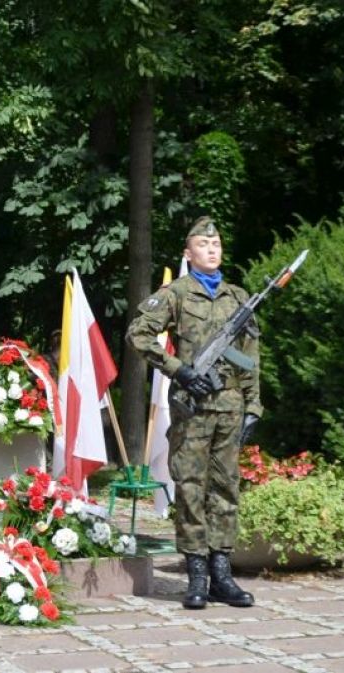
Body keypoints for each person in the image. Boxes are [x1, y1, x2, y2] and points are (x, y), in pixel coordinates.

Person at [126, 216, 261, 610]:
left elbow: (250, 358)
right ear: (189, 253)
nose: (212, 249)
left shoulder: (239, 297)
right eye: (203, 244)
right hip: (193, 409)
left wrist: (254, 404)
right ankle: (197, 573)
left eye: (216, 243)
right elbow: (138, 334)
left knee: (225, 489)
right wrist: (178, 370)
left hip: (231, 408)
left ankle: (222, 574)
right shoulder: (176, 294)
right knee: (189, 488)